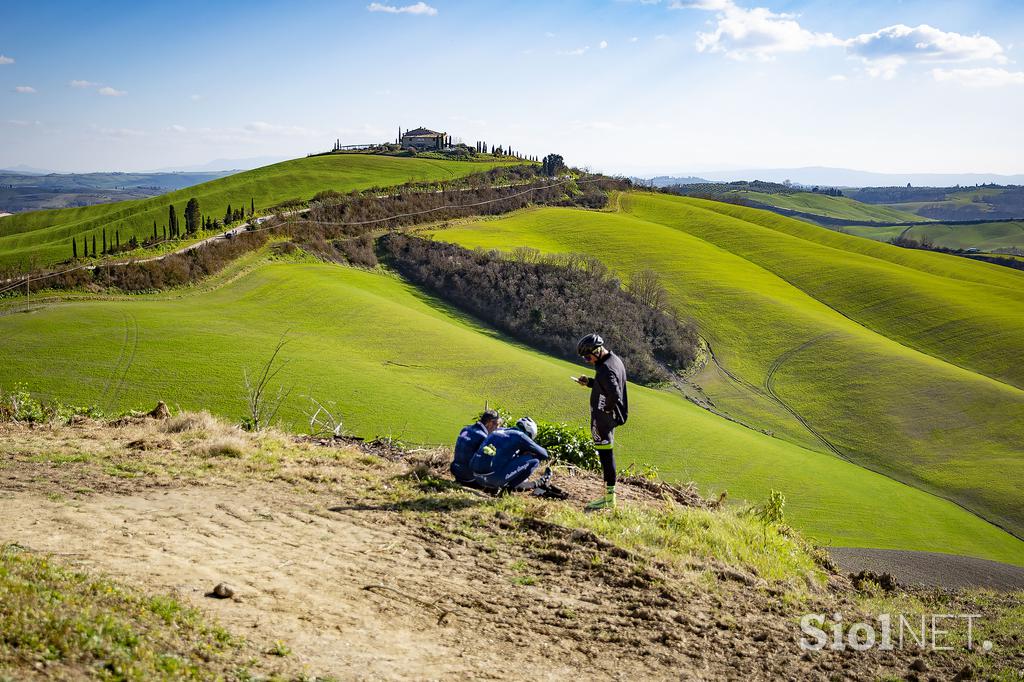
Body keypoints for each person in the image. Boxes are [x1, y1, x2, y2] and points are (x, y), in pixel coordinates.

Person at [575, 333, 628, 510]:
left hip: (604, 420)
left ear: (597, 351)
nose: (587, 360)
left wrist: (605, 411)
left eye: (588, 356)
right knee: (606, 454)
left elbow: (614, 393)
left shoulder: (605, 368)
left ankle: (609, 499)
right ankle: (608, 496)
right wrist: (590, 382)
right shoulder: (613, 361)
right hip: (607, 418)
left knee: (606, 456)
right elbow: (605, 384)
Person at [470, 417, 549, 492]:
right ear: (528, 433)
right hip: (492, 479)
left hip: (476, 477)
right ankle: (507, 490)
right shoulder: (520, 436)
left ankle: (493, 487)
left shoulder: (499, 430)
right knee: (535, 460)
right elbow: (544, 454)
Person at [451, 409, 502, 485]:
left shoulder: (465, 429)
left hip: (456, 472)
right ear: (490, 423)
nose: (497, 428)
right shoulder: (483, 437)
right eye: (497, 425)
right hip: (469, 478)